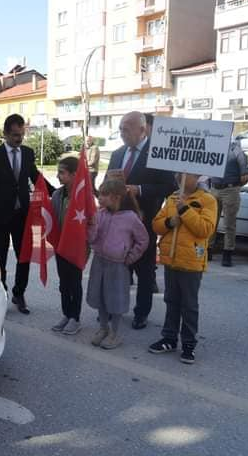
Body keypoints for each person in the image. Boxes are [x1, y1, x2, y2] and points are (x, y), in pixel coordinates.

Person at [107, 111, 178, 329]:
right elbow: (107, 181)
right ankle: (116, 306)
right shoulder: (118, 153)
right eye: (120, 129)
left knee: (145, 271)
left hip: (144, 221)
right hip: (119, 222)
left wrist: (139, 189)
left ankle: (141, 313)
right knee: (119, 268)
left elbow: (169, 187)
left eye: (126, 129)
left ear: (142, 129)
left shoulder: (158, 153)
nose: (122, 134)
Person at [0, 114, 54, 315]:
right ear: (5, 134)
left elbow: (36, 178)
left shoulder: (28, 153)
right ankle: (2, 293)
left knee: (24, 257)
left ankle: (19, 293)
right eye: (14, 135)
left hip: (23, 216)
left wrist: (57, 193)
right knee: (0, 259)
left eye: (21, 134)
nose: (18, 139)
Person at [149, 173, 217, 364]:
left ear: (197, 177)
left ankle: (188, 344)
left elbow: (205, 229)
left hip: (191, 261)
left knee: (189, 305)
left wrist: (185, 210)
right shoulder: (172, 198)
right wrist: (170, 222)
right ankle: (169, 338)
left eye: (186, 174)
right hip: (171, 259)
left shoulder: (207, 200)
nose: (180, 176)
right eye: (178, 173)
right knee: (171, 300)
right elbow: (156, 225)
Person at [87, 179, 149, 349]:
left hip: (118, 265)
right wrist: (91, 227)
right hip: (100, 261)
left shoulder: (130, 218)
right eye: (99, 194)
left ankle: (115, 333)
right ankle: (103, 329)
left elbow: (143, 240)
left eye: (103, 195)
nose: (99, 198)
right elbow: (91, 238)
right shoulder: (100, 214)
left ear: (116, 197)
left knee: (115, 300)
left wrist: (130, 257)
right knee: (100, 297)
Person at [51, 156, 85, 335]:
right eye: (57, 172)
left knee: (75, 283)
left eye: (62, 173)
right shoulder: (58, 195)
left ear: (73, 175)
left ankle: (75, 318)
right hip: (60, 247)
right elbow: (51, 217)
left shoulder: (82, 196)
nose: (58, 176)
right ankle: (66, 314)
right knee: (63, 283)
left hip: (76, 248)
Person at [208, 140, 248, 267]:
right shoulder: (213, 146)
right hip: (214, 189)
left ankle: (227, 253)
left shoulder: (235, 149)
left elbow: (244, 173)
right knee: (210, 221)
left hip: (230, 189)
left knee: (229, 224)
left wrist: (235, 185)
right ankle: (208, 250)